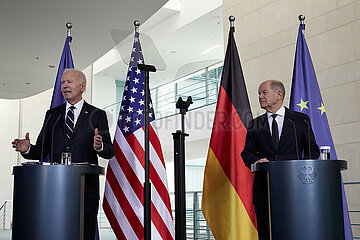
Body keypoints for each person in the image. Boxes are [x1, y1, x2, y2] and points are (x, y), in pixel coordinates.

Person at [12, 69, 115, 240]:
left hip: (85, 190)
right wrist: (28, 149)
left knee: (84, 234)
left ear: (82, 86)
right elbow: (42, 149)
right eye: (62, 83)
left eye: (69, 82)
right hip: (55, 190)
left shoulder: (97, 115)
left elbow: (109, 152)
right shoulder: (53, 115)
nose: (64, 86)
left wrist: (100, 146)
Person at [241, 80, 319, 240]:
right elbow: (246, 152)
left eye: (264, 92)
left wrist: (301, 169)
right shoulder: (255, 124)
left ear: (279, 94)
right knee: (266, 234)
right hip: (264, 190)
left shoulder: (300, 120)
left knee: (295, 233)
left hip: (296, 190)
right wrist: (256, 160)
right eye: (259, 93)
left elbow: (313, 150)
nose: (260, 96)